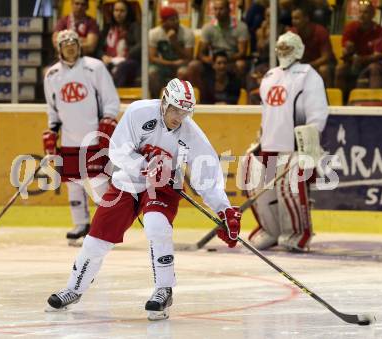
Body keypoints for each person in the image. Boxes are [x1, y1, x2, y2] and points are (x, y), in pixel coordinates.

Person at [45, 78, 242, 320]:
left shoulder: (191, 133)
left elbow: (207, 176)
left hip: (163, 187)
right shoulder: (138, 112)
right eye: (175, 109)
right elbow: (117, 150)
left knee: (156, 226)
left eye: (185, 111)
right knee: (96, 239)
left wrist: (225, 210)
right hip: (127, 182)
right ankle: (73, 289)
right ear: (164, 101)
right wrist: (144, 165)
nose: (179, 117)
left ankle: (163, 289)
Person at [243, 32, 328, 252]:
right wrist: (260, 139)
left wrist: (309, 144)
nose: (283, 51)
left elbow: (317, 113)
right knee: (251, 178)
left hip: (295, 146)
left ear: (298, 49)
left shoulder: (309, 75)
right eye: (280, 47)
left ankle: (298, 232)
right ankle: (271, 229)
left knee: (289, 187)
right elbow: (267, 113)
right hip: (269, 144)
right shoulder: (270, 75)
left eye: (287, 47)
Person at [43, 30, 120, 245]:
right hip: (69, 139)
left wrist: (108, 119)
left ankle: (107, 226)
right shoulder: (52, 75)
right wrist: (52, 130)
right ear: (59, 49)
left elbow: (111, 99)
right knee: (73, 184)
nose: (70, 47)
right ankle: (81, 224)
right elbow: (53, 109)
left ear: (79, 45)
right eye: (65, 44)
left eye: (73, 43)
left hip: (93, 137)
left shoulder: (94, 67)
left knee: (99, 184)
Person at [334, 0, 382, 102]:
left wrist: (360, 59)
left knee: (374, 68)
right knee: (340, 69)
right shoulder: (350, 27)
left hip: (371, 63)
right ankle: (340, 103)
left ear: (373, 14)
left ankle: (374, 103)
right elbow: (344, 51)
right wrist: (348, 50)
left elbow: (377, 55)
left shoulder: (379, 30)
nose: (362, 15)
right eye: (360, 12)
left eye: (365, 12)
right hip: (353, 62)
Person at [148, 7, 195, 99]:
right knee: (151, 72)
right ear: (163, 22)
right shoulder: (154, 33)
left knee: (183, 72)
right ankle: (155, 100)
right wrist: (171, 63)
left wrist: (175, 43)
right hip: (162, 65)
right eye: (172, 20)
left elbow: (189, 57)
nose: (177, 21)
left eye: (177, 18)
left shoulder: (187, 33)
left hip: (181, 64)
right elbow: (152, 58)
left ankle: (179, 101)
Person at [97, 0, 141, 87]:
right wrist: (103, 56)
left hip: (129, 61)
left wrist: (125, 56)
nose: (118, 13)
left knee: (123, 66)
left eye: (122, 11)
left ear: (127, 12)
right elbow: (98, 49)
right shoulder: (107, 28)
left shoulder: (135, 26)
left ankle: (113, 94)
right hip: (110, 61)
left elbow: (140, 46)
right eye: (116, 10)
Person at [290, 6, 336, 87]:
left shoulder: (321, 32)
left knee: (323, 70)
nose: (293, 22)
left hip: (322, 64)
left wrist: (308, 66)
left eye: (297, 18)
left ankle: (327, 96)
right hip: (304, 64)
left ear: (306, 18)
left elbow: (325, 57)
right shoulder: (291, 33)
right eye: (292, 18)